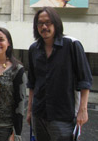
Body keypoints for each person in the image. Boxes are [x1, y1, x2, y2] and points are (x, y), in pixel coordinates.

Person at [27, 7, 92, 141]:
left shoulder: (72, 45)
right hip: (39, 114)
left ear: (56, 23)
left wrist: (83, 110)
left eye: (48, 22)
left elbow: (84, 80)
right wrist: (29, 111)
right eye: (40, 23)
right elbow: (32, 83)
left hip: (63, 116)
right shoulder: (34, 49)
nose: (44, 26)